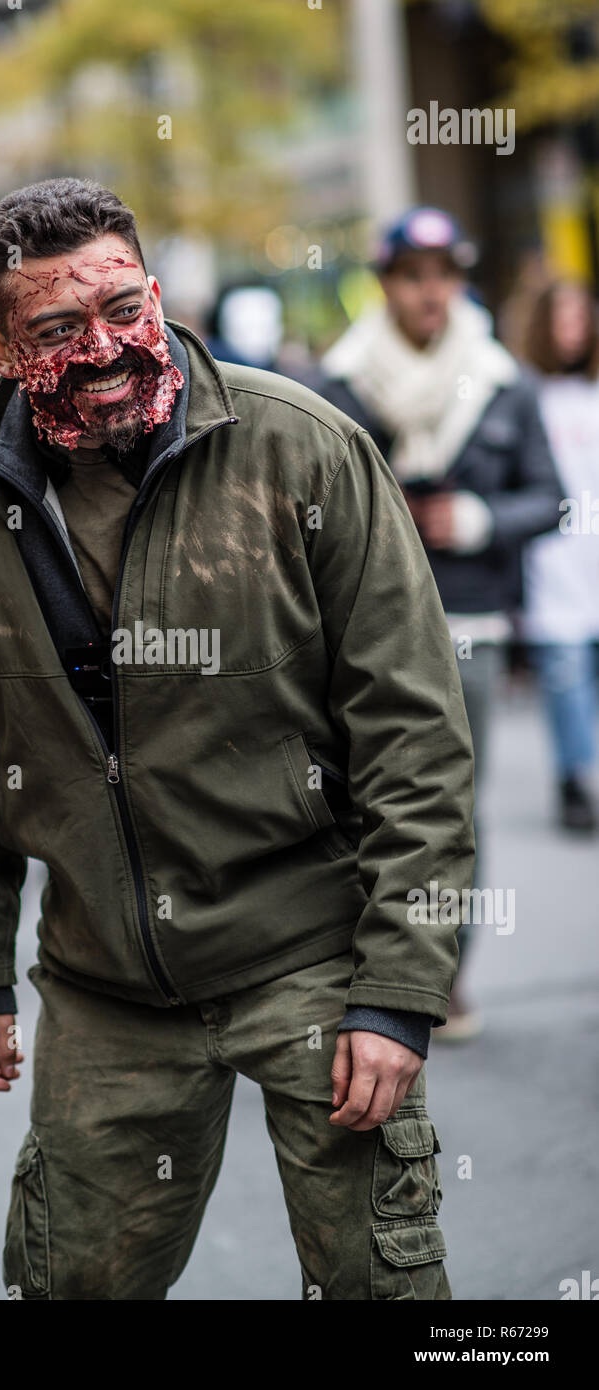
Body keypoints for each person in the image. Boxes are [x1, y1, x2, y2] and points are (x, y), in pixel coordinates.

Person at [0, 178, 475, 1300]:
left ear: (157, 292)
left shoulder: (302, 448)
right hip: (102, 982)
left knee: (380, 1288)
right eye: (58, 329)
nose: (105, 347)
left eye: (124, 308)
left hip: (315, 953)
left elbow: (415, 735)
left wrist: (401, 988)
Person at [312, 207, 563, 1042]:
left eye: (443, 275)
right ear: (385, 283)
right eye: (412, 276)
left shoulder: (501, 380)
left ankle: (440, 976)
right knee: (357, 800)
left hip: (470, 623)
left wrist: (480, 519)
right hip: (360, 625)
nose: (429, 292)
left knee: (449, 804)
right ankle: (360, 968)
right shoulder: (335, 384)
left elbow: (549, 497)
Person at [520, 281, 599, 832]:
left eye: (581, 318)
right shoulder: (527, 394)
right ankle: (574, 778)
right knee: (566, 672)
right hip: (554, 558)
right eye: (561, 318)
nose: (572, 330)